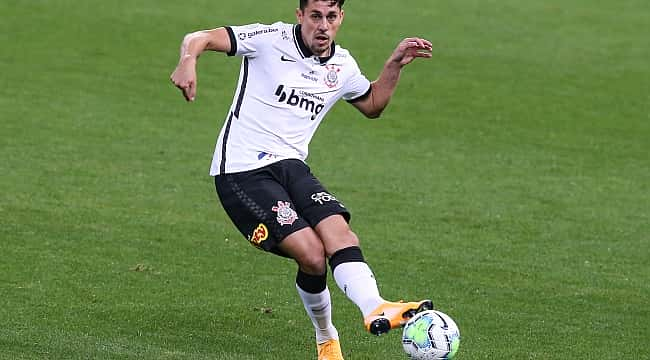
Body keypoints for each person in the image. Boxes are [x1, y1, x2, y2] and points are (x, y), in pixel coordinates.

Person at [170, 0, 433, 359]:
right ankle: (326, 338)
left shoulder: (342, 66)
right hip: (242, 171)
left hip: (292, 167)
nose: (322, 26)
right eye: (315, 16)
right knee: (311, 256)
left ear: (341, 18)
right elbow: (199, 37)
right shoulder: (268, 39)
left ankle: (375, 306)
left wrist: (394, 66)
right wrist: (188, 60)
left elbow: (372, 104)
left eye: (331, 17)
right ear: (300, 16)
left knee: (340, 231)